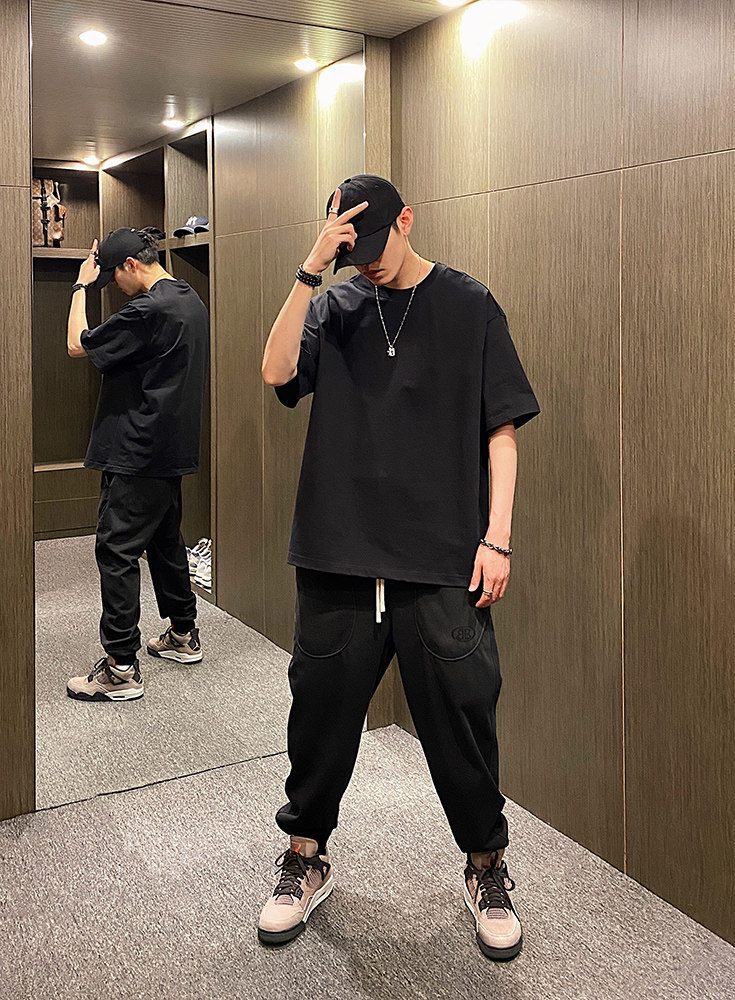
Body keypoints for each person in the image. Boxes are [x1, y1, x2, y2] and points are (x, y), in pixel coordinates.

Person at [258, 175, 539, 960]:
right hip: (337, 551)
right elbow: (276, 373)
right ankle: (305, 857)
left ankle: (485, 866)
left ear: (407, 220)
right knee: (319, 717)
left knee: (463, 716)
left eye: (377, 245)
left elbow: (503, 430)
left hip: (441, 554)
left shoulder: (469, 304)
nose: (370, 263)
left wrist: (498, 537)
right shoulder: (334, 305)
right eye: (355, 254)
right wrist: (310, 271)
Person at [64, 228, 209, 702]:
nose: (114, 285)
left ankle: (121, 668)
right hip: (168, 449)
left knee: (117, 551)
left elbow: (77, 345)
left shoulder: (148, 309)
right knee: (165, 542)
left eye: (113, 277)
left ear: (130, 264)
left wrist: (80, 286)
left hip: (136, 450)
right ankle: (183, 634)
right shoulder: (188, 299)